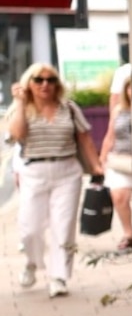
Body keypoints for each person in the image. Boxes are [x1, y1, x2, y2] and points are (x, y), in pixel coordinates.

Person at [6, 65, 106, 296]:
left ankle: (59, 276)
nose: (44, 85)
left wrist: (96, 166)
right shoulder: (21, 108)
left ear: (57, 84)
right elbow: (17, 135)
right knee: (30, 228)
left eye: (50, 80)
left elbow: (85, 138)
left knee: (63, 226)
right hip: (34, 171)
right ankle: (32, 262)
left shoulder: (68, 108)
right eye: (38, 80)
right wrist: (20, 103)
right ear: (28, 83)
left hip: (67, 171)